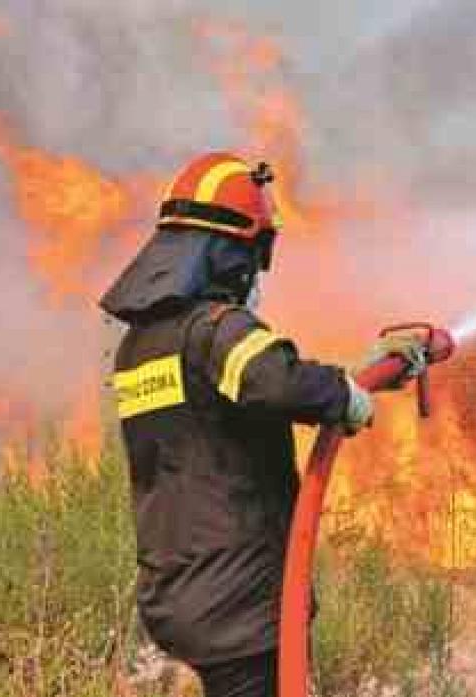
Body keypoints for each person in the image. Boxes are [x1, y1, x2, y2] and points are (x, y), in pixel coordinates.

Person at [100, 152, 423, 697]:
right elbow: (276, 381)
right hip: (240, 610)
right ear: (231, 254)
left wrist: (354, 379)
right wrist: (342, 394)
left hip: (179, 598)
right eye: (258, 251)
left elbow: (242, 397)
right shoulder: (215, 329)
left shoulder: (141, 346)